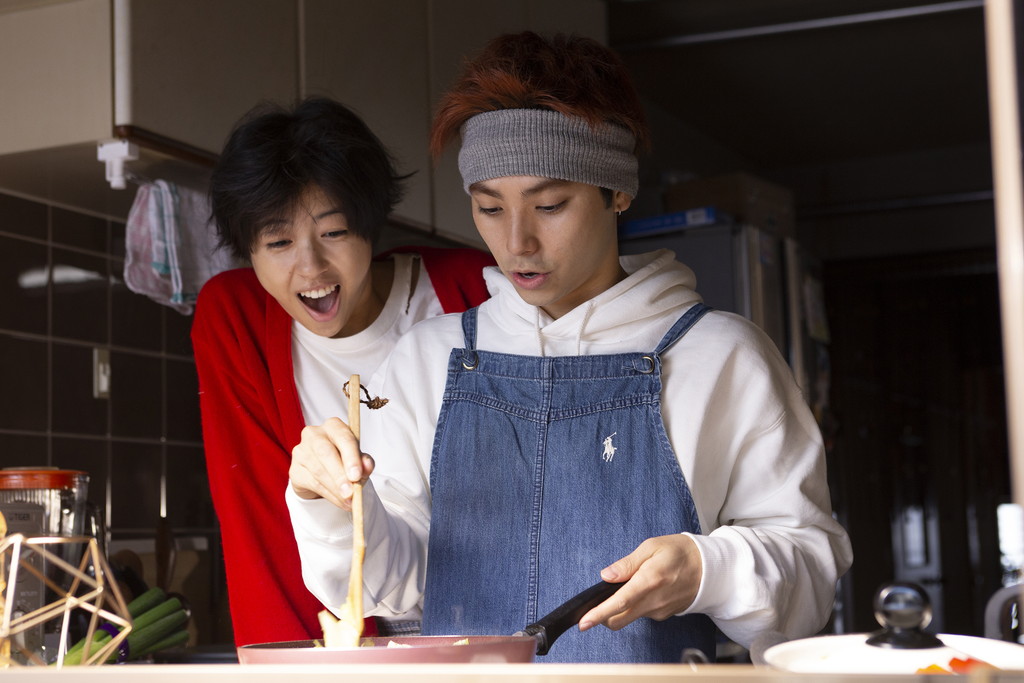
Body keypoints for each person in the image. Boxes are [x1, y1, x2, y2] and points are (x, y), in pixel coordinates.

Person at [285, 33, 853, 663]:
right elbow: (393, 586)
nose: (517, 241)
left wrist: (706, 567)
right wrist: (328, 504)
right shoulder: (427, 359)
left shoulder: (721, 358)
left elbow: (811, 574)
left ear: (618, 193)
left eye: (550, 205)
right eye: (489, 208)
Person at [192, 96, 495, 647]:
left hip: (491, 625)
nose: (310, 267)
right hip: (343, 637)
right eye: (278, 242)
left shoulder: (472, 290)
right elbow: (258, 521)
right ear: (249, 251)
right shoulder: (235, 320)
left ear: (370, 226)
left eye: (333, 233)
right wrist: (292, 666)